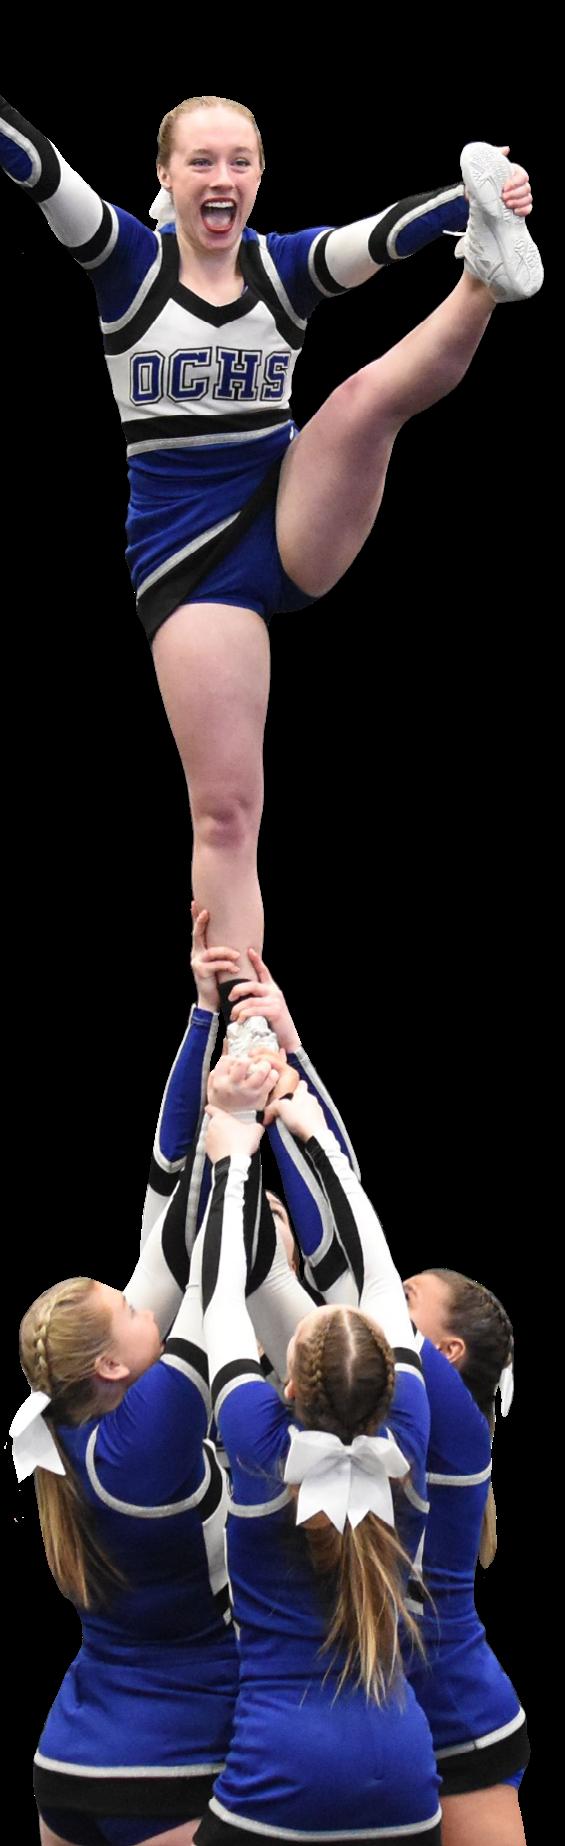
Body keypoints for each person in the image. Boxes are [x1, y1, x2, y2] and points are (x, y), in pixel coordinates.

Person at [1, 93, 541, 991]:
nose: (222, 178)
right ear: (165, 175)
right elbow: (39, 168)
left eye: (240, 162)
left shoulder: (281, 267)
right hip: (191, 559)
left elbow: (379, 236)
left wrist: (479, 196)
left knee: (364, 401)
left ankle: (483, 280)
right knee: (225, 812)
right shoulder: (126, 259)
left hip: (291, 508)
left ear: (258, 176)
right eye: (200, 162)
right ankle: (237, 1009)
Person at [193, 1085, 439, 1845]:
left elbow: (219, 1290)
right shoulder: (409, 1430)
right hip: (408, 1779)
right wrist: (314, 1136)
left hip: (277, 1776)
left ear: (289, 1387)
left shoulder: (258, 1440)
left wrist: (234, 1160)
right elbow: (378, 1272)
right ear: (390, 1380)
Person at [11, 1133, 241, 1845]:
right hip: (165, 1766)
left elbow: (165, 1254)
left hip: (71, 1757)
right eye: (134, 1314)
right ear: (109, 1364)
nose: (149, 1313)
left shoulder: (66, 1423)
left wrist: (206, 1081)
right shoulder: (145, 1437)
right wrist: (234, 1157)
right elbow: (208, 1285)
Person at [401, 1270, 528, 1846]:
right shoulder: (386, 1414)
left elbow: (361, 1296)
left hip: (460, 1718)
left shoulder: (458, 1428)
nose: (389, 1300)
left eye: (407, 1298)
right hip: (391, 1718)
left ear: (448, 1352)